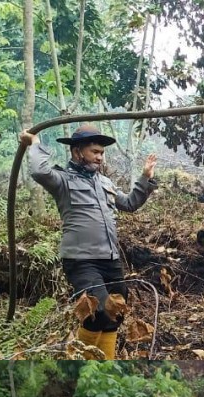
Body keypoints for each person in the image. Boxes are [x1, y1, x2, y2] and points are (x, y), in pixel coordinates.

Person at [21, 127, 158, 359]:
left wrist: (145, 177)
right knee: (98, 311)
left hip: (110, 259)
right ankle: (82, 364)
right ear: (77, 152)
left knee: (116, 313)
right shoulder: (62, 180)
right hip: (81, 260)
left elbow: (130, 203)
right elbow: (39, 172)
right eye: (94, 151)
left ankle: (105, 367)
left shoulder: (104, 182)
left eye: (102, 153)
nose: (99, 157)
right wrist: (34, 143)